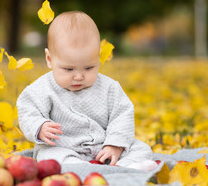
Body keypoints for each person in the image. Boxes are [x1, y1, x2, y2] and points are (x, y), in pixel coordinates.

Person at [17, 11, 157, 171]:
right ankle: (80, 168)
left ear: (97, 58)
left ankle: (124, 166)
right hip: (63, 146)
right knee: (48, 156)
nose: (78, 76)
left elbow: (122, 115)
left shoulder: (109, 88)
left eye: (89, 67)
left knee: (141, 148)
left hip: (103, 147)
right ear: (50, 59)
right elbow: (27, 111)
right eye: (68, 69)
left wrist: (114, 145)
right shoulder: (41, 89)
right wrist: (39, 127)